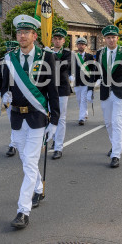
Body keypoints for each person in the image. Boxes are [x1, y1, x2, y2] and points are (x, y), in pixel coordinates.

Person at [0, 15, 60, 229]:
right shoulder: (9, 58)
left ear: (35, 35)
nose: (22, 36)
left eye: (26, 32)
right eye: (19, 32)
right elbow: (3, 85)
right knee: (26, 160)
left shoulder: (47, 57)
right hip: (16, 116)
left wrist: (55, 120)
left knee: (30, 161)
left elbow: (52, 90)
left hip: (37, 116)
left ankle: (23, 211)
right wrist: (3, 94)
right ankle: (37, 187)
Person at [95, 25, 122, 168]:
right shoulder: (100, 53)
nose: (111, 40)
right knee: (108, 122)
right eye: (108, 37)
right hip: (106, 91)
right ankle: (115, 144)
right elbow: (97, 71)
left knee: (117, 121)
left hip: (121, 91)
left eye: (113, 37)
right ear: (104, 39)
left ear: (117, 38)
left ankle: (116, 155)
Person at [51, 27, 72, 160]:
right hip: (48, 87)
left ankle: (59, 147)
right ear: (52, 39)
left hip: (62, 88)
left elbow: (64, 66)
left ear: (64, 41)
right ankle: (54, 138)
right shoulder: (46, 51)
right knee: (50, 116)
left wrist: (50, 57)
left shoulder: (67, 53)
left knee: (61, 118)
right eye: (55, 38)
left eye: (60, 39)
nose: (57, 41)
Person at [0, 41, 19, 157]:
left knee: (21, 121)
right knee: (13, 120)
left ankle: (16, 142)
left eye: (11, 49)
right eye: (8, 49)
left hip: (20, 95)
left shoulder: (20, 61)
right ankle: (13, 144)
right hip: (8, 94)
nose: (9, 51)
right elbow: (0, 76)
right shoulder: (4, 60)